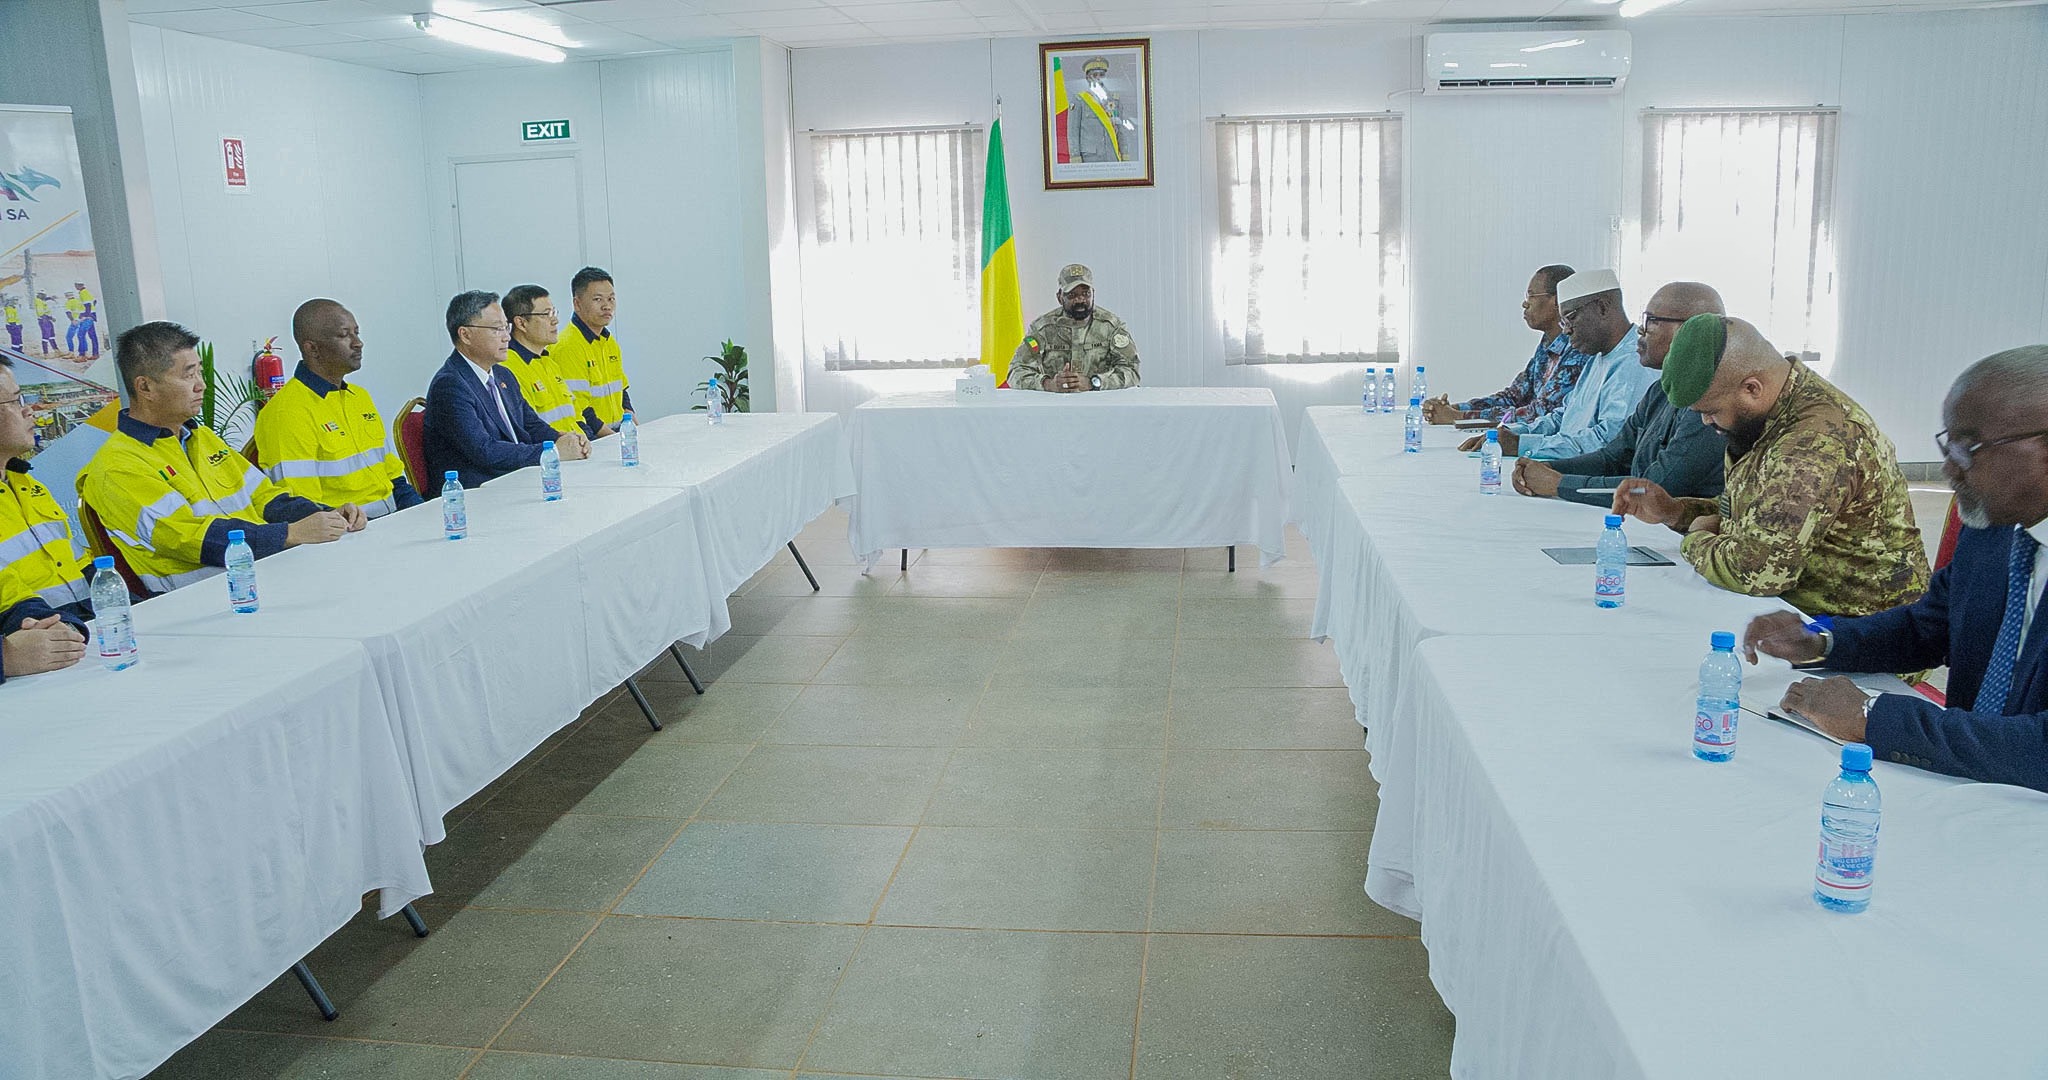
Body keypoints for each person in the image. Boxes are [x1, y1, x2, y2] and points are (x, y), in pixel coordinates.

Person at [1743, 345, 2048, 792]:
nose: (1949, 469)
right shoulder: (1995, 529)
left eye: (1969, 448)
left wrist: (1874, 715)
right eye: (1948, 445)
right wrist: (1821, 639)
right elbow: (1928, 627)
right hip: (1970, 792)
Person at [1612, 315, 1928, 617]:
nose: (1707, 421)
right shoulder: (1776, 409)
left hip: (1856, 627)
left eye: (1712, 410)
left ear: (1752, 388)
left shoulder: (1812, 442)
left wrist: (1695, 539)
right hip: (1799, 614)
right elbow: (1758, 512)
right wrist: (1675, 511)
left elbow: (1756, 571)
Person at [79, 321, 358, 596]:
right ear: (145, 388)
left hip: (263, 575)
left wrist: (322, 515)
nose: (201, 385)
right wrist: (290, 534)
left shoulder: (201, 438)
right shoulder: (117, 466)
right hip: (200, 598)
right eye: (189, 375)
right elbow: (187, 538)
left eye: (200, 372)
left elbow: (265, 497)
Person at [1512, 281, 1728, 505]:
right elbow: (1613, 458)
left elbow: (1657, 488)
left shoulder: (1707, 404)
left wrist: (1559, 484)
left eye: (1651, 321)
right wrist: (1549, 468)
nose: (1641, 330)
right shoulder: (1659, 391)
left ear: (1693, 329)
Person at [252, 299, 422, 520]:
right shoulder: (286, 413)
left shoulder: (359, 397)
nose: (358, 343)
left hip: (393, 520)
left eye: (356, 333)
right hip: (348, 531)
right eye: (344, 335)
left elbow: (395, 478)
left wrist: (421, 514)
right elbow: (303, 509)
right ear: (312, 348)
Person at [1457, 269, 1652, 459]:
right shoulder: (1598, 356)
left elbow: (1609, 442)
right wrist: (1512, 433)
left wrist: (1522, 445)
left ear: (1602, 307)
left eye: (1570, 318)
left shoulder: (1634, 361)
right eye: (1563, 322)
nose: (1566, 331)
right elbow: (1563, 416)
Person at [423, 290, 590, 497]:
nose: (507, 337)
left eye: (506, 327)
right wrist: (552, 452)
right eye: (497, 329)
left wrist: (566, 439)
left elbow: (531, 425)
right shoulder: (450, 385)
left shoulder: (503, 375)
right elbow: (484, 450)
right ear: (465, 335)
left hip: (514, 480)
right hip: (475, 494)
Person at [0, 355, 90, 683]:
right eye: (16, 401)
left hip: (68, 639)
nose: (30, 411)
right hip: (39, 651)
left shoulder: (26, 484)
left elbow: (80, 564)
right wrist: (7, 656)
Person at [1422, 264, 1591, 425]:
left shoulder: (1577, 349)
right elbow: (1513, 396)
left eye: (1531, 296)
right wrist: (1454, 409)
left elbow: (1540, 412)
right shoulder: (1548, 344)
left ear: (1557, 300)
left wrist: (1459, 417)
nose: (1525, 303)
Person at [1009, 263, 1140, 393]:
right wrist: (1048, 384)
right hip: (1055, 403)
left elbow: (1132, 371)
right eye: (1072, 295)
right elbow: (1015, 372)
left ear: (1093, 294)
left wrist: (1094, 382)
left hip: (1100, 402)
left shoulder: (1111, 327)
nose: (1080, 300)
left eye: (1086, 293)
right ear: (1060, 297)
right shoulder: (1042, 329)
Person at [550, 267, 631, 437]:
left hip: (616, 433)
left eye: (611, 299)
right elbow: (579, 407)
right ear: (577, 304)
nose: (607, 306)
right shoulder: (568, 346)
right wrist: (613, 438)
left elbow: (622, 391)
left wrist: (633, 428)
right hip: (593, 437)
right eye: (597, 299)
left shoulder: (608, 341)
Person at [500, 284, 585, 437]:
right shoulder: (507, 368)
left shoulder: (549, 362)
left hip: (576, 446)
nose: (555, 320)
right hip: (551, 449)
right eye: (546, 314)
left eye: (554, 312)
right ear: (521, 323)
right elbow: (528, 428)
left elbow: (576, 414)